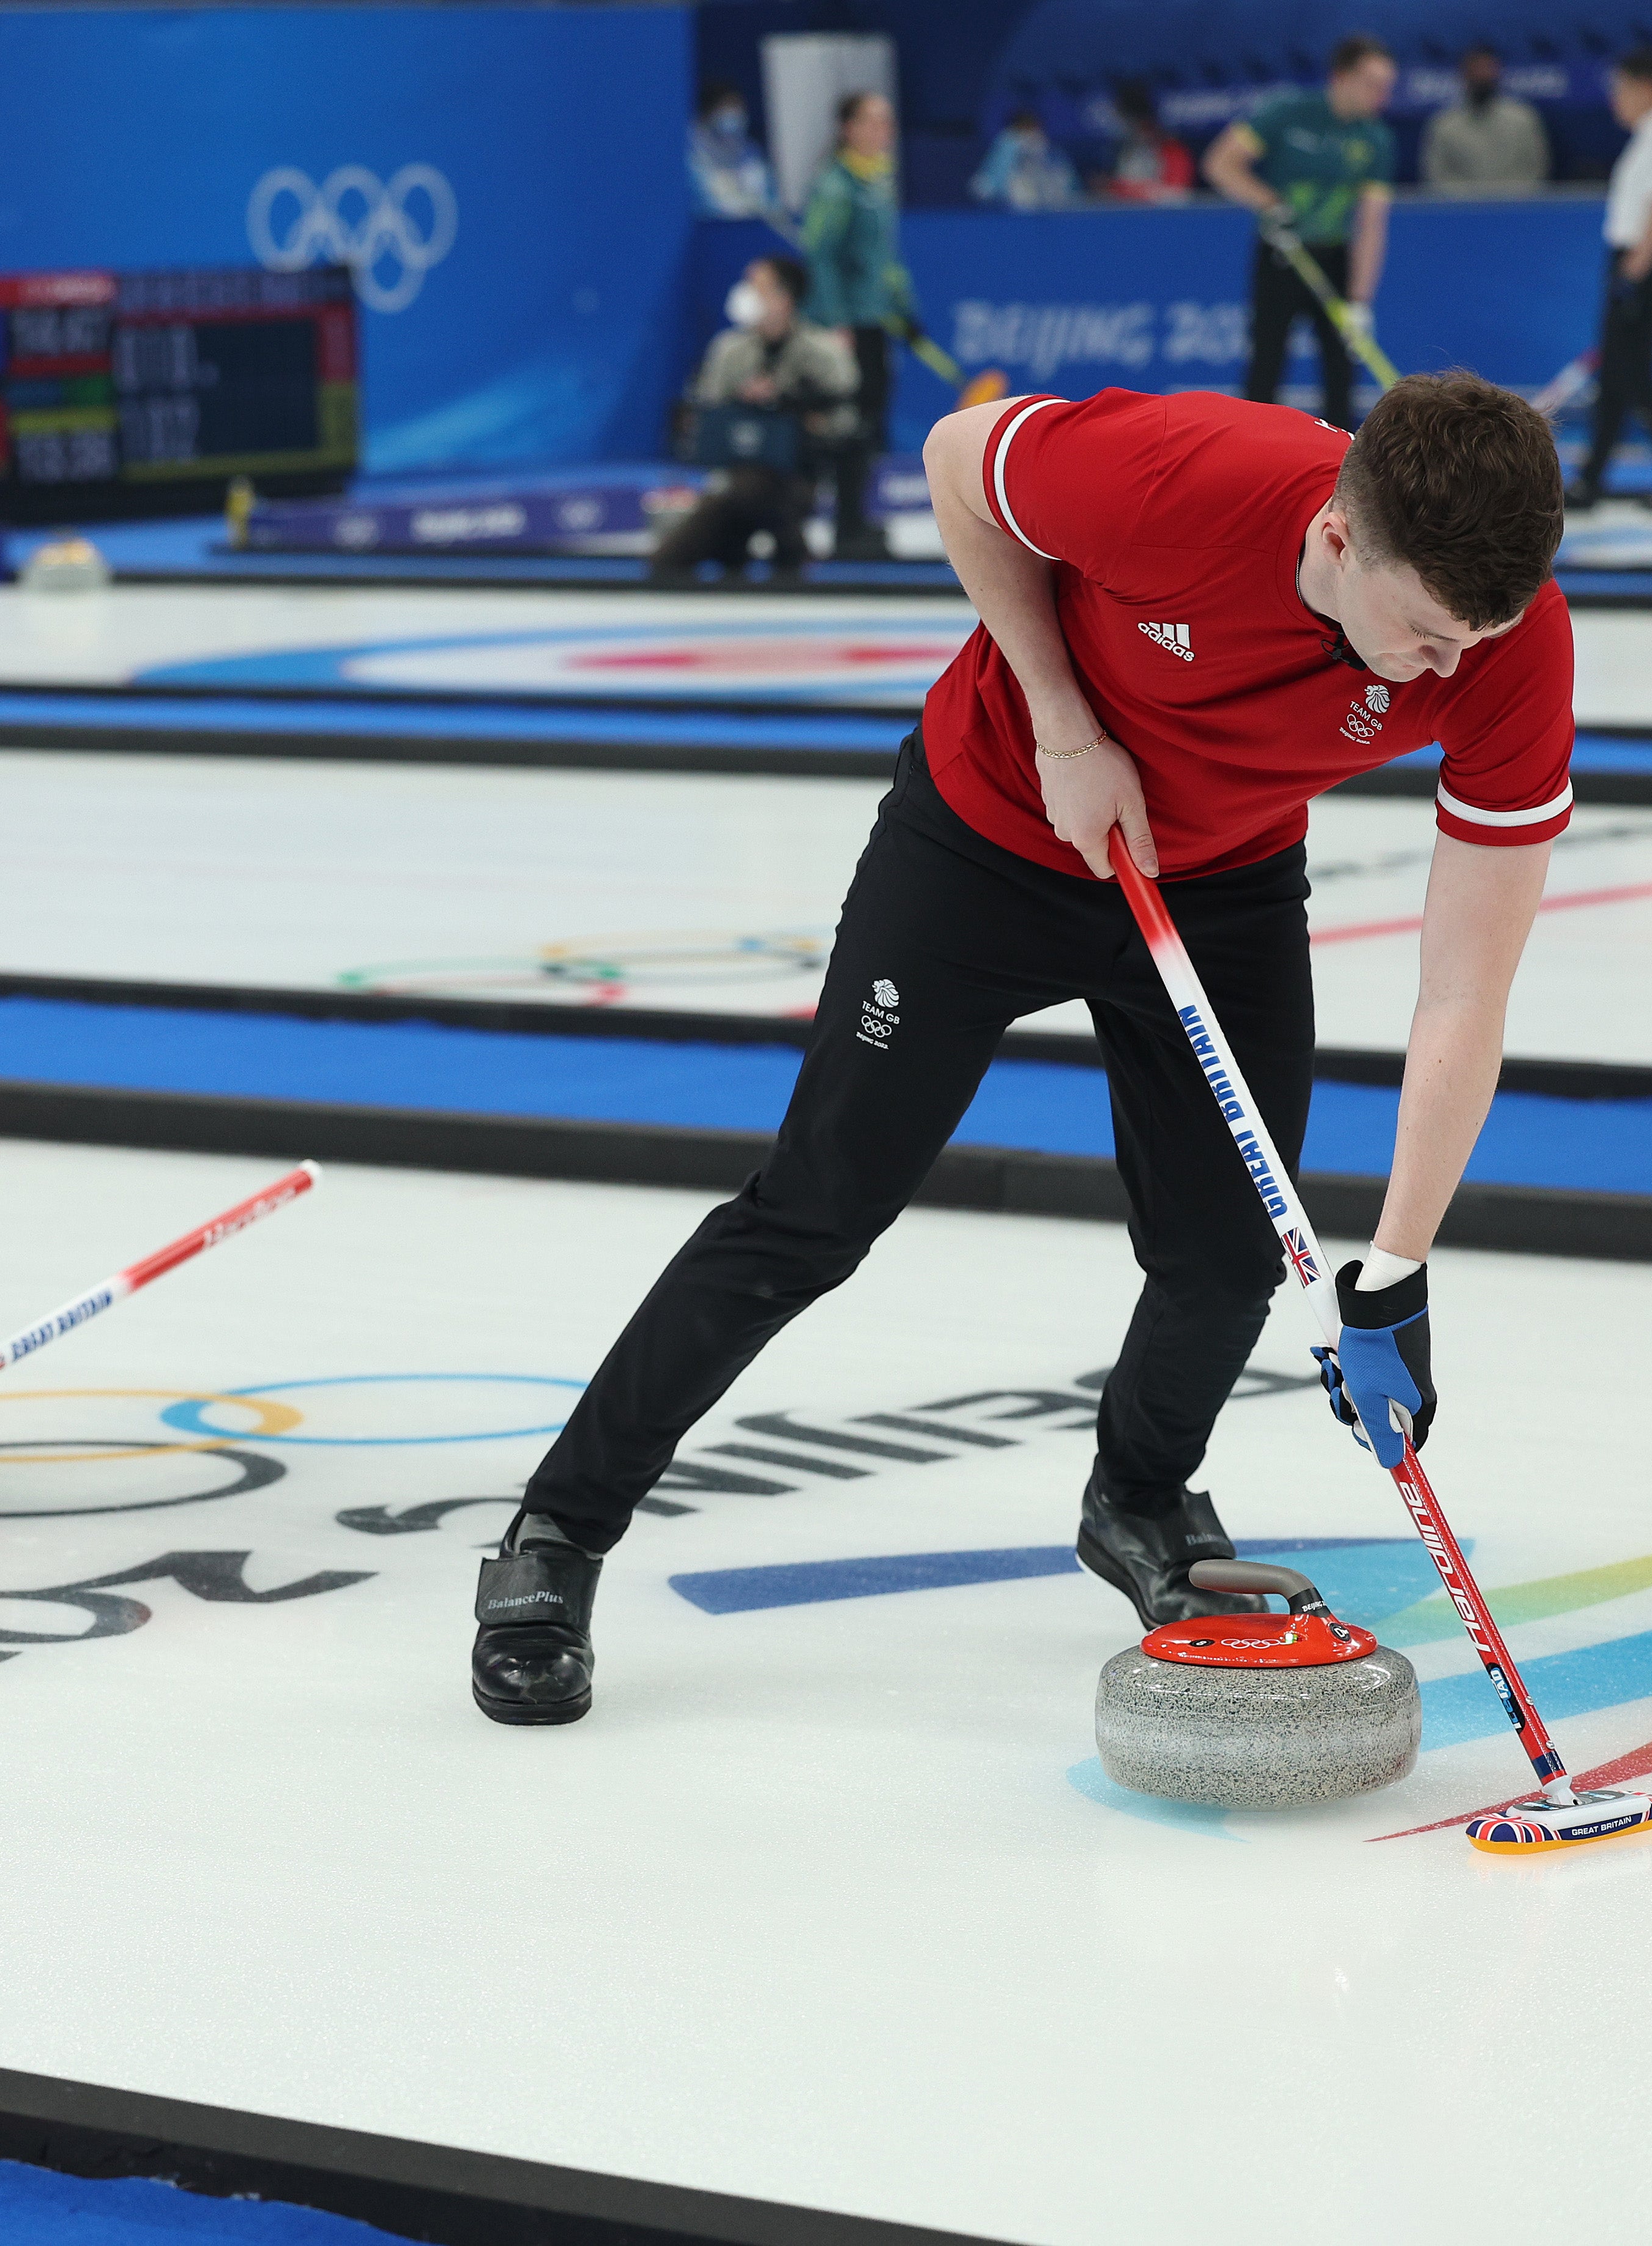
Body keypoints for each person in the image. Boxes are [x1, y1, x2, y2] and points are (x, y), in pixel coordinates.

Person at [467, 372, 1575, 1726]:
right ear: (1340, 540)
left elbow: (1463, 988)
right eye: (1421, 635)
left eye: (1482, 635)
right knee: (813, 1209)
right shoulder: (1180, 476)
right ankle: (554, 1532)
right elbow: (951, 459)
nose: (1451, 670)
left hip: (1215, 873)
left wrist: (1394, 1268)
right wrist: (1063, 717)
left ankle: (1141, 1500)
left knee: (1231, 1246)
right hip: (990, 827)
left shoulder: (1503, 639)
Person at [1208, 35, 1398, 429]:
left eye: (1387, 87)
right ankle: (1252, 458)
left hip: (1335, 259)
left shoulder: (1377, 139)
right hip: (1282, 254)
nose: (1381, 96)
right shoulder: (1287, 113)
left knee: (1341, 372)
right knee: (1266, 365)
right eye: (1372, 84)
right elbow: (1220, 164)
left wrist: (1360, 301)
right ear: (1341, 78)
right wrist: (1269, 203)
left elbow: (1372, 223)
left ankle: (1342, 471)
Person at [652, 254, 858, 587]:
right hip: (735, 478)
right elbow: (706, 414)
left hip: (796, 478)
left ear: (784, 298)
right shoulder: (729, 350)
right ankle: (783, 551)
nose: (746, 292)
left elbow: (845, 422)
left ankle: (766, 552)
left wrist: (787, 404)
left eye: (756, 286)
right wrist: (745, 401)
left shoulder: (824, 353)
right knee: (676, 554)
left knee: (756, 492)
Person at [1570, 48, 1652, 513]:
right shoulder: (1650, 135)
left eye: (1621, 89)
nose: (1615, 99)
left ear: (1646, 88)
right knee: (1613, 381)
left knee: (1637, 381)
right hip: (1632, 265)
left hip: (1642, 267)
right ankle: (1590, 482)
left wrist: (1633, 271)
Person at [801, 89, 913, 562]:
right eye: (873, 121)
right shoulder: (836, 186)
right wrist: (835, 321)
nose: (884, 131)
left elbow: (884, 262)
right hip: (846, 327)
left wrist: (906, 310)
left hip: (875, 321)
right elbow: (820, 255)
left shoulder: (879, 182)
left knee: (870, 424)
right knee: (848, 425)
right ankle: (843, 526)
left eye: (888, 121)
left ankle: (857, 520)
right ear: (849, 128)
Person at [1420, 44, 1549, 194]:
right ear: (1463, 75)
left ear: (1498, 72)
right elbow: (1437, 174)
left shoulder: (1523, 119)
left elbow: (1536, 168)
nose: (1481, 76)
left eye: (1487, 69)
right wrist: (1471, 201)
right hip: (1461, 211)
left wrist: (1508, 199)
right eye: (1475, 70)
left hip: (1516, 208)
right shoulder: (1444, 124)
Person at [1096, 80, 1194, 204]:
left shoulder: (1173, 151)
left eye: (1122, 119)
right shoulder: (1123, 150)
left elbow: (1175, 195)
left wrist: (1120, 189)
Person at [688, 83, 774, 220]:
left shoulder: (750, 152)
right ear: (708, 113)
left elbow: (770, 203)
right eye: (727, 107)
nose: (734, 113)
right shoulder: (693, 155)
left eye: (738, 108)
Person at [970, 105, 1078, 212]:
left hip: (1050, 214)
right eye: (1024, 130)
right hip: (1011, 214)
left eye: (1033, 129)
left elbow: (1071, 189)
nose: (1030, 135)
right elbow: (984, 189)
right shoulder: (1007, 144)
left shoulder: (1053, 153)